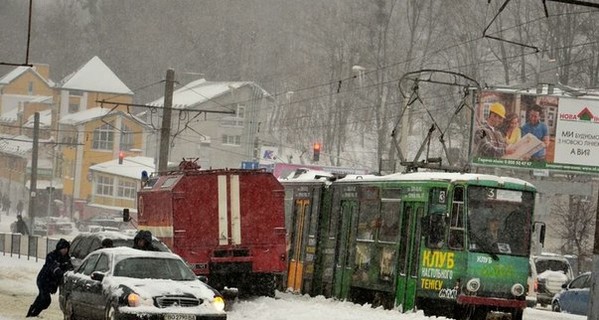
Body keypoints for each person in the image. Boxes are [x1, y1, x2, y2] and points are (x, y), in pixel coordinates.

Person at [26, 238, 73, 317]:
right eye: (63, 248)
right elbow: (53, 266)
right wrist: (58, 271)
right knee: (46, 300)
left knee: (41, 298)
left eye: (66, 249)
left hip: (51, 283)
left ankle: (31, 313)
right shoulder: (51, 255)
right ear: (59, 248)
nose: (65, 250)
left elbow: (70, 268)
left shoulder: (67, 259)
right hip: (43, 280)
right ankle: (33, 314)